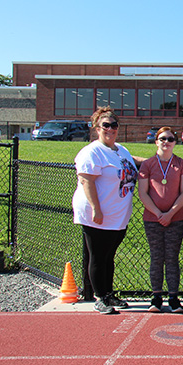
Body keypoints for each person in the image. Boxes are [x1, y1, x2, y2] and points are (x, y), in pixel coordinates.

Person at [72, 107, 143, 314]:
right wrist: (96, 209)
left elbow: (131, 161)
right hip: (98, 213)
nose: (110, 129)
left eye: (114, 125)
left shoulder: (119, 149)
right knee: (98, 255)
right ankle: (100, 296)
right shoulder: (91, 152)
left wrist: (157, 161)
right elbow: (86, 181)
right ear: (96, 128)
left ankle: (109, 293)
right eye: (105, 125)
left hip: (117, 214)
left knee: (109, 255)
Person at [137, 127, 183, 313]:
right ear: (156, 141)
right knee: (157, 257)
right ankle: (156, 296)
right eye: (162, 139)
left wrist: (170, 214)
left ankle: (174, 297)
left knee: (172, 258)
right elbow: (143, 193)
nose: (166, 142)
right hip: (152, 219)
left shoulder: (181, 164)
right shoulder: (148, 165)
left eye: (170, 139)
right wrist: (158, 214)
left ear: (175, 142)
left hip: (175, 219)